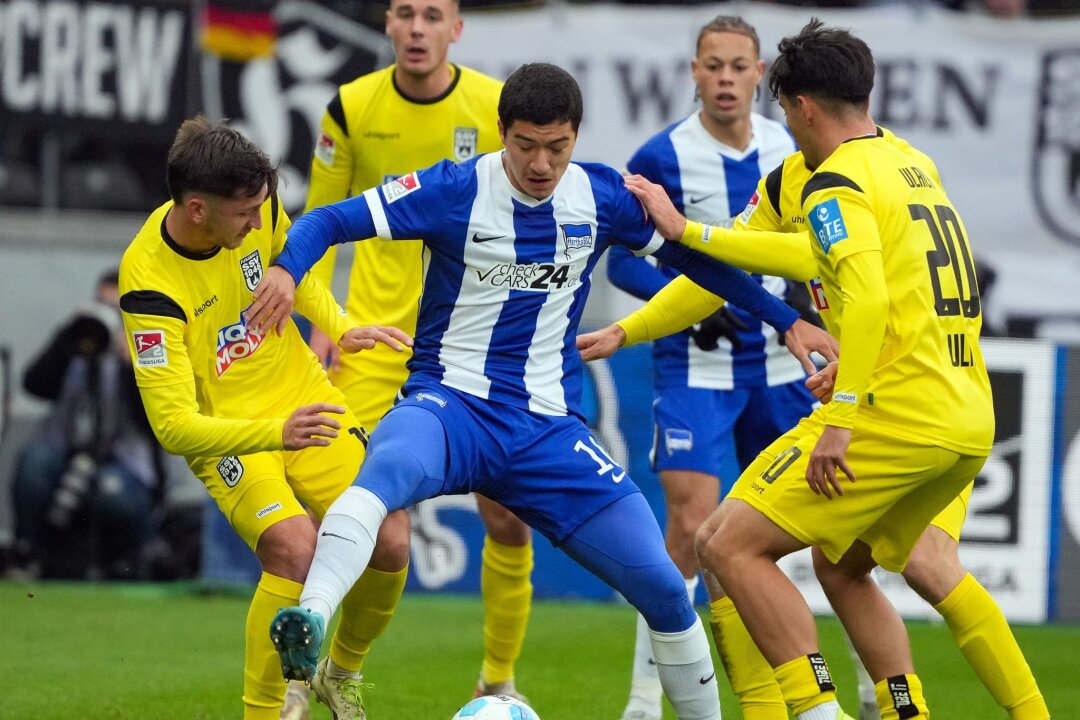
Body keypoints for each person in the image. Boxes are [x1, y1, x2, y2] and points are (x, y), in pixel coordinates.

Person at [251, 62, 836, 720]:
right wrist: (284, 269)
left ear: (575, 138)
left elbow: (695, 264)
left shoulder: (602, 197)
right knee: (381, 475)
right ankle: (311, 616)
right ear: (502, 133)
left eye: (556, 147)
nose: (540, 163)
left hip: (549, 431)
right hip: (452, 405)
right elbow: (327, 221)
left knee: (667, 591)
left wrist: (787, 320)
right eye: (526, 145)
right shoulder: (451, 190)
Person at [596, 19, 1045, 720]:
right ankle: (943, 711)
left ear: (801, 105)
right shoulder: (907, 161)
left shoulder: (834, 183)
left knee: (723, 543)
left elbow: (856, 293)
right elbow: (748, 263)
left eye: (783, 106)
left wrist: (842, 413)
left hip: (892, 414)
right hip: (963, 409)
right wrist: (631, 327)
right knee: (863, 564)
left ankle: (804, 712)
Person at [118, 116, 414, 720]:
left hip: (303, 398)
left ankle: (342, 673)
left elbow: (288, 276)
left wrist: (340, 325)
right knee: (293, 550)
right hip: (229, 433)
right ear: (197, 209)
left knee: (390, 538)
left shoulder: (252, 207)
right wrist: (274, 434)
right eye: (245, 214)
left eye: (262, 208)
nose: (259, 222)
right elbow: (174, 427)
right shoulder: (150, 286)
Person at [301, 0, 535, 701]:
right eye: (405, 13)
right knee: (366, 526)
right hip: (372, 344)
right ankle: (331, 671)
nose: (417, 28)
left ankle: (497, 681)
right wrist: (322, 328)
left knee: (509, 516)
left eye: (433, 15)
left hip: (473, 343)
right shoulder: (350, 106)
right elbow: (317, 222)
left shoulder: (495, 106)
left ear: (456, 29)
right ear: (387, 25)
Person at [604, 17, 819, 720]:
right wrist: (692, 306)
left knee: (783, 542)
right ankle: (643, 698)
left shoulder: (794, 148)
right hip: (694, 368)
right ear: (693, 72)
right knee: (691, 526)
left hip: (782, 371)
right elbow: (622, 261)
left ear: (761, 75)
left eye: (738, 67)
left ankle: (807, 694)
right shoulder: (662, 155)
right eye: (713, 66)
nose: (726, 79)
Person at [8, 269, 164, 580]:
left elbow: (157, 423)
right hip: (64, 448)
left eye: (115, 311)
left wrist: (134, 366)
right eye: (100, 306)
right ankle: (27, 555)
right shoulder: (74, 345)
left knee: (112, 493)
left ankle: (128, 560)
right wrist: (64, 340)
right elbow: (34, 385)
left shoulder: (145, 349)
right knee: (33, 465)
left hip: (122, 458)